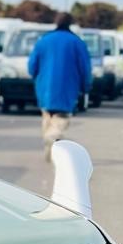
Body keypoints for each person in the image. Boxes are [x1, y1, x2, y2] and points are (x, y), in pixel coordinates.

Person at [27, 12, 92, 158]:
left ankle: (49, 145)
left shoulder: (43, 41)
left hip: (44, 87)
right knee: (61, 118)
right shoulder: (77, 43)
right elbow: (85, 68)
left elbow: (32, 65)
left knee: (47, 117)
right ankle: (52, 138)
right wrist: (86, 85)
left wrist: (36, 76)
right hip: (67, 87)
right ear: (70, 23)